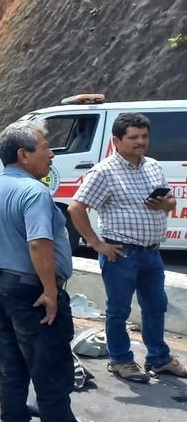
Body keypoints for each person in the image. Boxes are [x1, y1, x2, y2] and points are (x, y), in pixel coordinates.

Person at [0, 119, 115, 422]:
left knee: (12, 368)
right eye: (45, 147)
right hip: (32, 292)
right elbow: (40, 244)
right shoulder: (34, 193)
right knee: (51, 377)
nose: (52, 153)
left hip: (1, 284)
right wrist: (50, 292)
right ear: (24, 155)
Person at [69, 112, 186, 383]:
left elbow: (170, 202)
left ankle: (159, 358)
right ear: (117, 141)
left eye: (144, 136)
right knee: (119, 311)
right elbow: (76, 207)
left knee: (156, 306)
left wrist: (166, 205)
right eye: (133, 137)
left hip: (152, 252)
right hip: (122, 254)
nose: (140, 142)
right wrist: (98, 244)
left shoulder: (153, 166)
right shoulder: (104, 172)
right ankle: (121, 360)